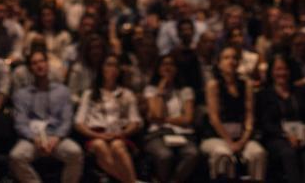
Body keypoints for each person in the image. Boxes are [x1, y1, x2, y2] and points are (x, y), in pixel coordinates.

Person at [9, 50, 83, 183]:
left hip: (55, 137)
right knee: (16, 156)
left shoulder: (62, 91)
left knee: (75, 152)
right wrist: (34, 138)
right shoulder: (21, 95)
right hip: (33, 138)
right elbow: (20, 123)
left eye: (42, 61)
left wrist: (57, 137)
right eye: (34, 63)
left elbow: (67, 120)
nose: (39, 65)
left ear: (48, 64)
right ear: (30, 68)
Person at [201, 47, 267, 181]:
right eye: (226, 58)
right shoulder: (213, 85)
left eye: (234, 58)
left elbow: (249, 115)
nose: (231, 61)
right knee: (223, 154)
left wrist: (243, 140)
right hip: (217, 135)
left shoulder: (246, 84)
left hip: (241, 136)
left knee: (258, 153)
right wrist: (230, 142)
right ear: (219, 63)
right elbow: (214, 118)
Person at [74, 54, 142, 183]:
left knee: (117, 146)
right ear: (102, 69)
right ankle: (132, 181)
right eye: (109, 65)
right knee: (100, 145)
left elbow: (135, 121)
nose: (112, 69)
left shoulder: (127, 94)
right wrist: (97, 135)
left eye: (115, 65)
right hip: (96, 134)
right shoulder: (89, 94)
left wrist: (123, 133)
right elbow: (79, 123)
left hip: (119, 134)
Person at [259, 54, 305, 183]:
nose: (282, 73)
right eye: (278, 69)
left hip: (304, 136)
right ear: (271, 72)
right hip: (278, 137)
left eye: (285, 69)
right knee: (288, 153)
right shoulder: (265, 94)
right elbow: (266, 124)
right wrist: (286, 135)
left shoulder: (302, 91)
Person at [144, 54, 200, 183]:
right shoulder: (151, 90)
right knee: (165, 155)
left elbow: (187, 119)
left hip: (183, 134)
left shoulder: (185, 90)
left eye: (171, 64)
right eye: (164, 64)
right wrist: (161, 90)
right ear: (158, 68)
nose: (168, 67)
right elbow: (156, 114)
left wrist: (164, 120)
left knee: (192, 154)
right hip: (157, 134)